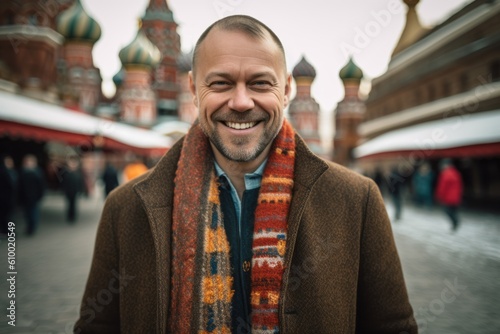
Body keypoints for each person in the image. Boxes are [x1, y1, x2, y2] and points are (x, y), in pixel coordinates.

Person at [75, 15, 417, 333]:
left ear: (286, 91)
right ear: (193, 90)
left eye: (259, 83)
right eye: (221, 83)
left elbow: (393, 327)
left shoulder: (356, 201)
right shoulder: (126, 209)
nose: (240, 102)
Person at [18, 154, 45, 235]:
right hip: (25, 197)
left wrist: (40, 195)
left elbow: (41, 186)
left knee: (33, 212)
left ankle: (31, 228)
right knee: (27, 213)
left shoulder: (37, 173)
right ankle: (29, 226)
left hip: (33, 197)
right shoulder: (22, 172)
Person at [435, 158, 463, 231]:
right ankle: (455, 222)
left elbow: (442, 186)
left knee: (447, 210)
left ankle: (455, 222)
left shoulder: (445, 174)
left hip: (448, 197)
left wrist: (439, 195)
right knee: (453, 210)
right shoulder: (456, 173)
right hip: (456, 196)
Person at [62, 157, 84, 223]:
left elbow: (80, 183)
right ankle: (69, 216)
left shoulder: (78, 174)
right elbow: (64, 183)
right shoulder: (66, 173)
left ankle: (73, 216)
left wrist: (80, 190)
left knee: (73, 204)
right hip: (69, 191)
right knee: (69, 204)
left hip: (74, 191)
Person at [0, 155, 17, 235]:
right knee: (6, 216)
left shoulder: (13, 172)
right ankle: (7, 231)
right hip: (5, 198)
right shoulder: (3, 172)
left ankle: (8, 230)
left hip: (11, 198)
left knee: (9, 216)